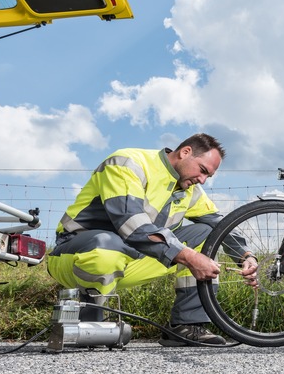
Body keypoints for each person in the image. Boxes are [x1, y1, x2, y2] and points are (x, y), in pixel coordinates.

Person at [47, 133, 258, 346]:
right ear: (185, 152)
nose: (202, 180)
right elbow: (131, 223)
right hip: (76, 252)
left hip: (135, 258)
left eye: (208, 177)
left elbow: (220, 224)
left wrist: (245, 256)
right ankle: (93, 322)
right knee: (106, 244)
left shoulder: (190, 190)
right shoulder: (127, 163)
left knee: (205, 234)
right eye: (202, 171)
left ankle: (186, 327)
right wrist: (188, 256)